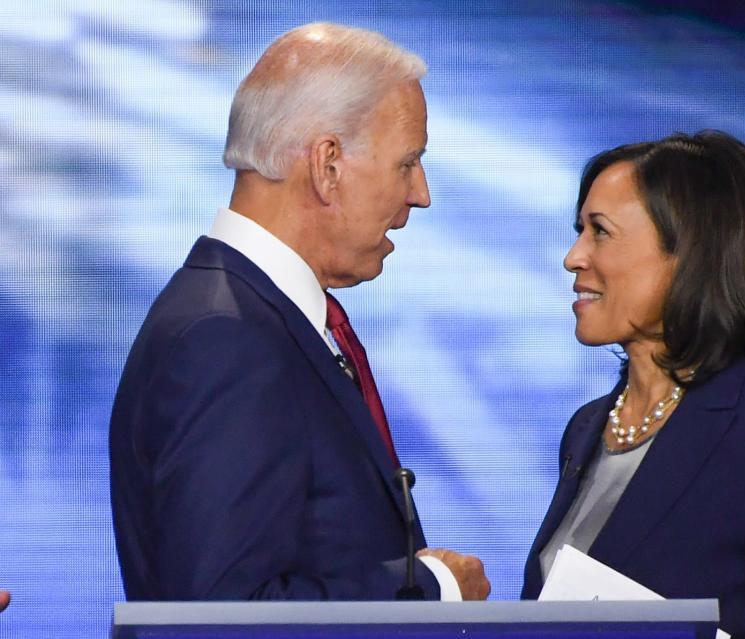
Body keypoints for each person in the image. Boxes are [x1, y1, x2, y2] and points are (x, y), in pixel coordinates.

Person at [110, 22, 489, 602]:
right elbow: (221, 615)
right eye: (407, 163)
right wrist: (430, 588)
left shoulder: (256, 317)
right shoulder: (227, 338)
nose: (421, 193)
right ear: (327, 164)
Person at [522, 131, 745, 637]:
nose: (574, 257)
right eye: (579, 230)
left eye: (599, 232)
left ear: (690, 255)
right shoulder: (588, 428)